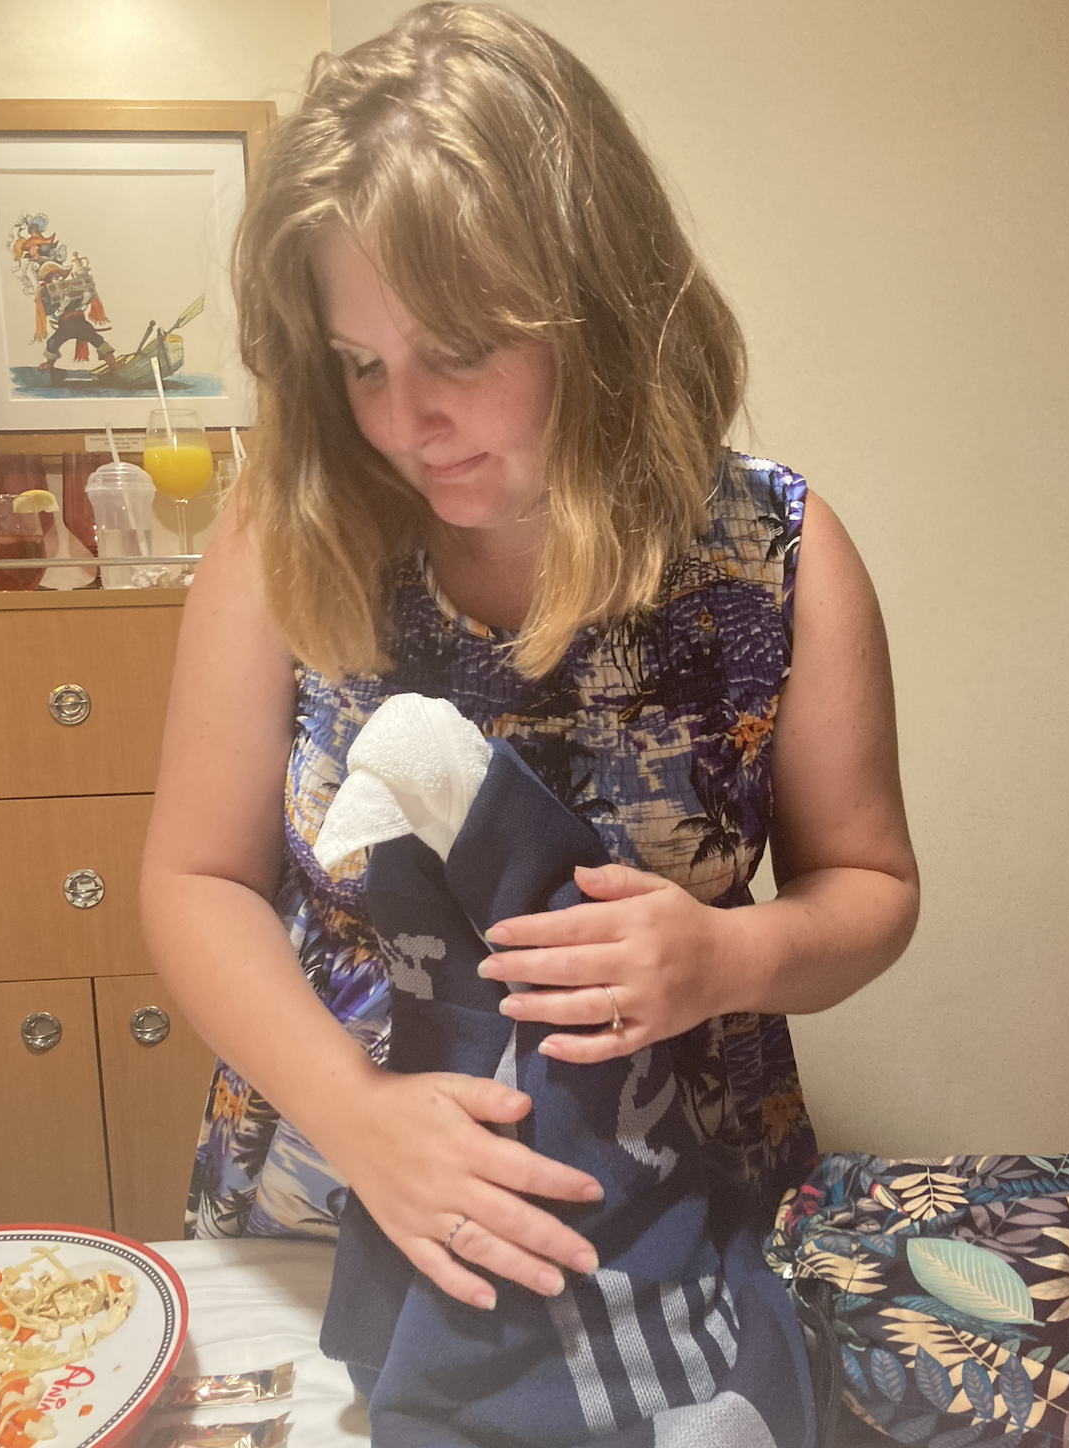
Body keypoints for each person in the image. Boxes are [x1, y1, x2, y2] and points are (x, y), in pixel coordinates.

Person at [142, 0, 917, 1334]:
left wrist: (728, 960)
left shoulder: (775, 550)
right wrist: (360, 1115)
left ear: (601, 313)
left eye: (457, 352)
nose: (402, 421)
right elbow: (193, 879)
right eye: (358, 364)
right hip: (334, 1210)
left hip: (684, 1227)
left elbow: (870, 890)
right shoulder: (289, 526)